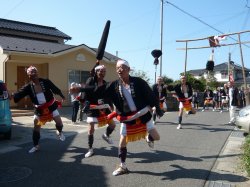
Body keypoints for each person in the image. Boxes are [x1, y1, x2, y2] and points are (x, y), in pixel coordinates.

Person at [103, 59, 163, 176]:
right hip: (127, 118)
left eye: (122, 67)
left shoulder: (138, 82)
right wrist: (82, 89)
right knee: (122, 142)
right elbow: (101, 90)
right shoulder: (115, 85)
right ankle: (122, 166)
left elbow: (150, 95)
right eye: (117, 68)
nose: (119, 70)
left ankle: (149, 138)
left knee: (156, 137)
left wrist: (154, 106)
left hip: (143, 115)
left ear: (129, 70)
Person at [12, 66, 66, 153]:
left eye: (34, 72)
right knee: (36, 128)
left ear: (37, 73)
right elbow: (19, 93)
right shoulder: (28, 87)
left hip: (50, 106)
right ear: (28, 76)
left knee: (59, 123)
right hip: (39, 110)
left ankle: (59, 132)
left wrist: (62, 96)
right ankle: (36, 146)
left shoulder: (45, 81)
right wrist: (12, 96)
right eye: (31, 73)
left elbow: (54, 88)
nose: (33, 74)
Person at [79, 64, 116, 158]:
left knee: (113, 125)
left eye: (104, 71)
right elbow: (85, 91)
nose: (102, 73)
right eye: (100, 71)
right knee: (91, 129)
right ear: (96, 72)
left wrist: (111, 106)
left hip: (103, 107)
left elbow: (109, 96)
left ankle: (106, 135)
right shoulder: (91, 80)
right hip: (92, 107)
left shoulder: (105, 83)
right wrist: (85, 102)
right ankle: (90, 149)